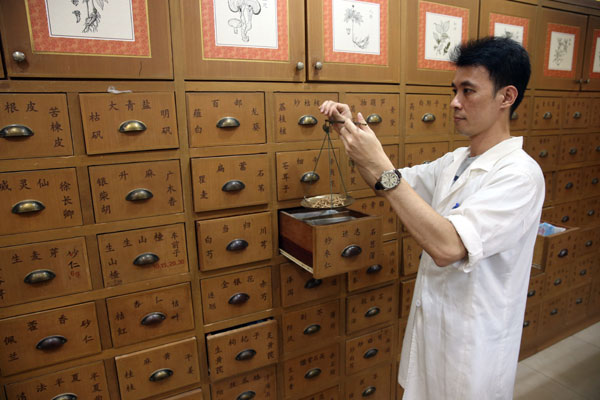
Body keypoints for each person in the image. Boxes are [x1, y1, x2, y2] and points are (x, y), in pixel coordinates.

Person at [320, 36, 544, 399]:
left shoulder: (519, 176)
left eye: (468, 91)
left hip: (474, 349)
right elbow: (391, 181)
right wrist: (351, 134)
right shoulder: (455, 162)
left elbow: (447, 246)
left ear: (506, 97)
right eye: (454, 89)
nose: (455, 102)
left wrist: (381, 167)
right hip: (434, 332)